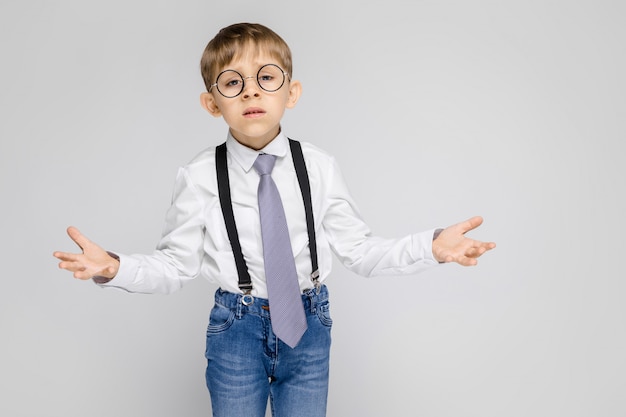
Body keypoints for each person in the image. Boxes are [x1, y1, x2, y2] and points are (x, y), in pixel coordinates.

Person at [53, 22, 496, 417]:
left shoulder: (319, 166)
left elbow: (359, 251)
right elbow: (175, 265)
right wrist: (115, 267)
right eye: (232, 82)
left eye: (266, 77)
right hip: (235, 329)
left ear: (291, 92)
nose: (250, 91)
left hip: (309, 325)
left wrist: (431, 245)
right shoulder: (199, 175)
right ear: (211, 104)